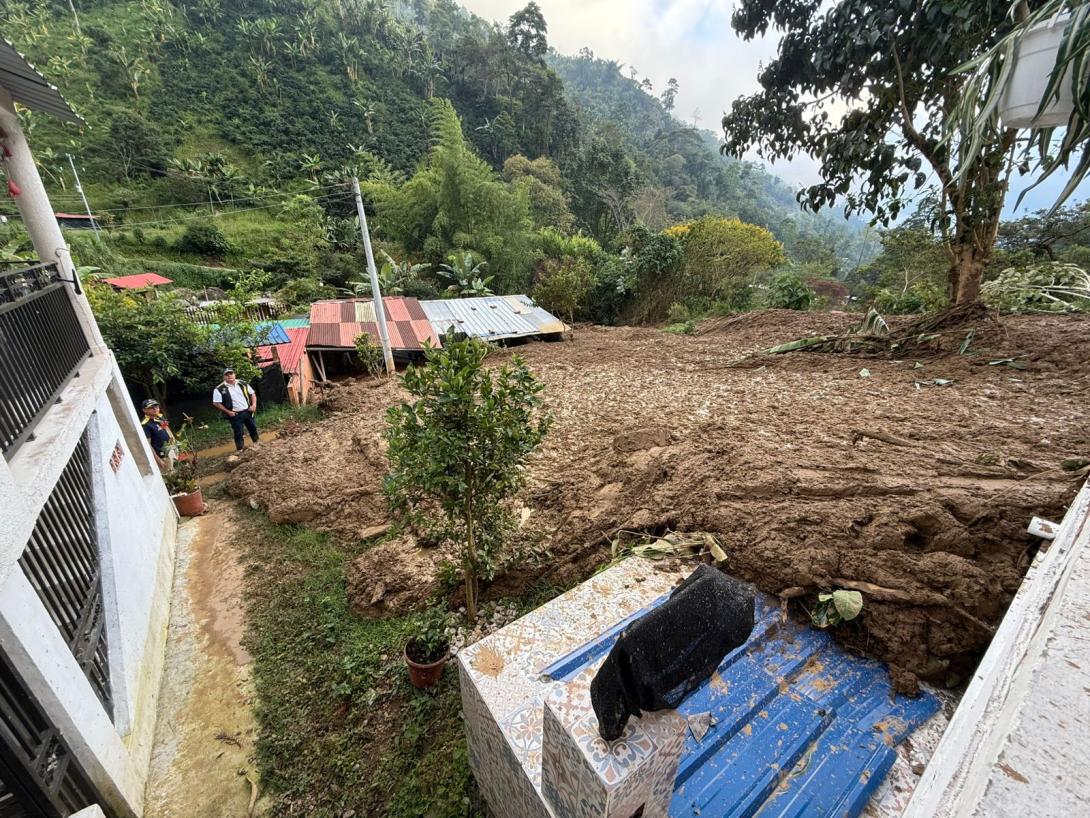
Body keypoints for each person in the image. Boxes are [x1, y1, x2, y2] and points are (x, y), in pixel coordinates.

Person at [212, 367, 260, 451]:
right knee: (238, 433)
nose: (229, 375)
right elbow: (216, 403)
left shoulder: (242, 383)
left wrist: (254, 405)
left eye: (231, 373)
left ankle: (258, 445)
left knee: (253, 428)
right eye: (227, 374)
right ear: (224, 377)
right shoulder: (219, 389)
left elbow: (252, 394)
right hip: (235, 415)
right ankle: (240, 450)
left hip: (247, 411)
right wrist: (228, 412)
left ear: (235, 374)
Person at [141, 399, 178, 472]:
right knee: (170, 477)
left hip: (171, 451)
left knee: (177, 472)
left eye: (156, 406)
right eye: (151, 407)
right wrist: (158, 460)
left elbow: (167, 430)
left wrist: (176, 445)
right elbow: (148, 445)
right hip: (162, 456)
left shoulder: (160, 417)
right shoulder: (146, 425)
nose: (155, 409)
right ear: (144, 410)